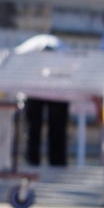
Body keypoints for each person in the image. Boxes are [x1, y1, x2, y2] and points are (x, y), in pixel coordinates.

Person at [14, 33, 69, 168]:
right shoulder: (25, 52)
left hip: (59, 88)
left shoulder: (65, 54)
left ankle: (57, 165)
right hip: (32, 88)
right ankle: (31, 164)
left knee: (57, 128)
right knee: (32, 128)